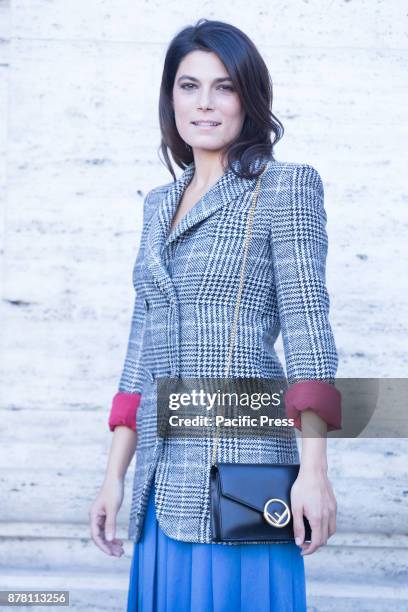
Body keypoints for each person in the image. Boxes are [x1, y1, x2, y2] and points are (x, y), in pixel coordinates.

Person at [89, 18, 341, 612]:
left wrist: (315, 473)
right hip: (159, 471)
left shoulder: (283, 188)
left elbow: (309, 333)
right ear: (169, 96)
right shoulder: (157, 205)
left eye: (223, 87)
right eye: (188, 85)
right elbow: (140, 347)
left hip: (242, 473)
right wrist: (113, 476)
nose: (204, 103)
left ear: (248, 99)